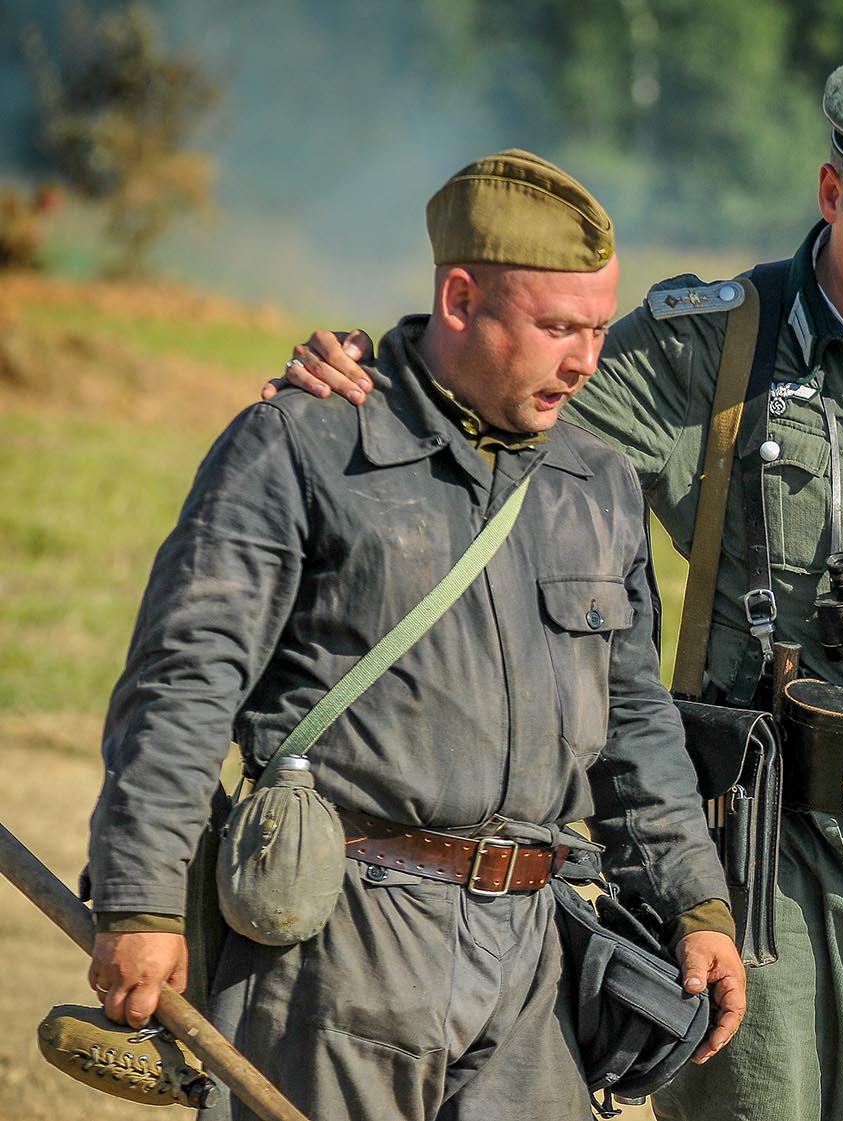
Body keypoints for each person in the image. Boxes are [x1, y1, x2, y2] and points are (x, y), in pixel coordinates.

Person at [278, 59, 843, 1121]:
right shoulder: (707, 346)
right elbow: (504, 403)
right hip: (763, 862)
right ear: (832, 192)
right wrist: (372, 381)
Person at [87, 150, 744, 1121]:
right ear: (460, 295)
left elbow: (636, 715)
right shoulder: (302, 446)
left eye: (598, 328)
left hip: (532, 953)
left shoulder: (596, 483)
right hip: (339, 944)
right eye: (557, 327)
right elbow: (185, 682)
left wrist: (695, 897)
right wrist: (140, 899)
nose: (585, 360)